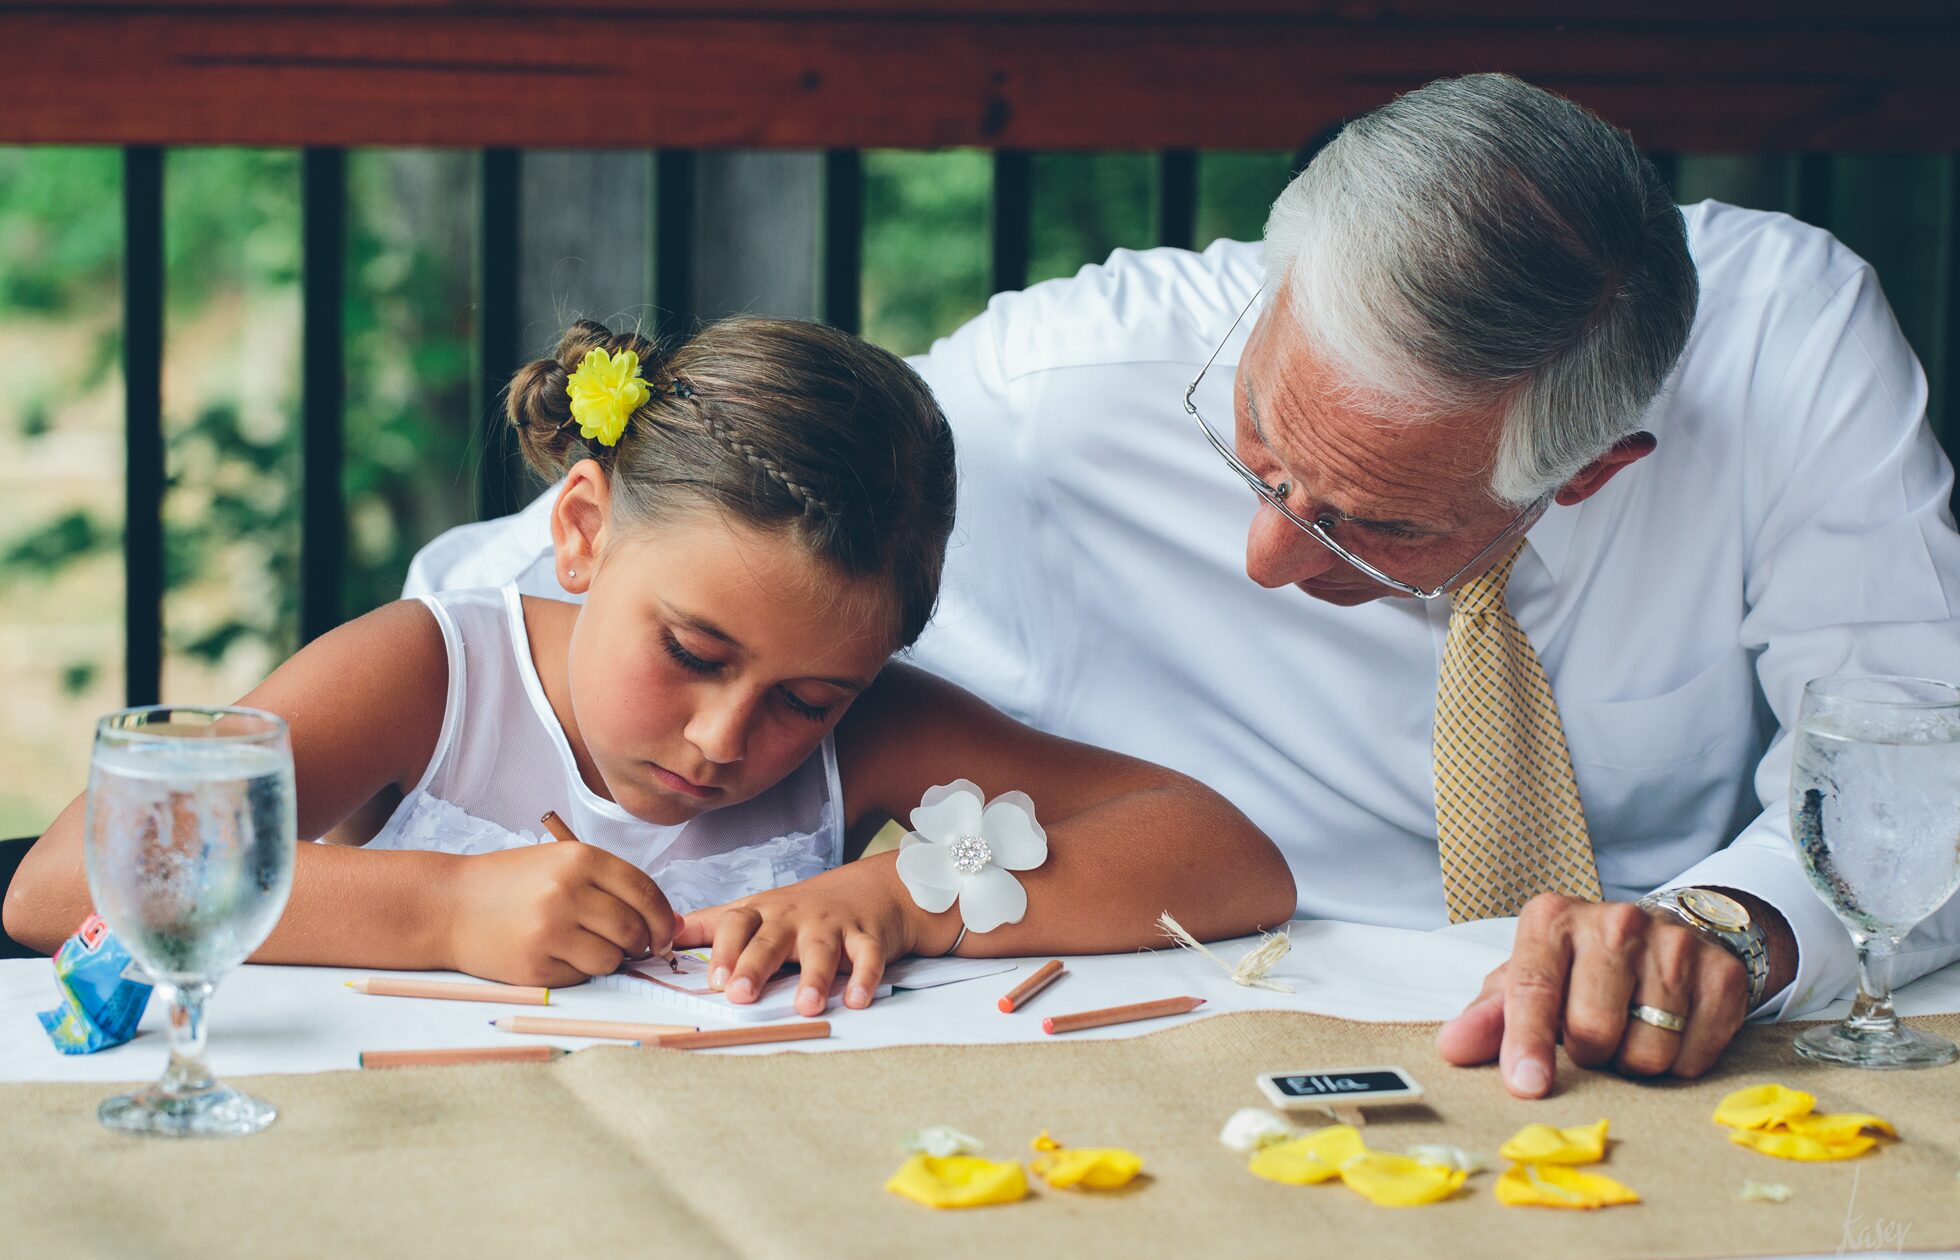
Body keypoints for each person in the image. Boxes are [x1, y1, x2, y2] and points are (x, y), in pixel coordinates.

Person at [401, 74, 1960, 1096]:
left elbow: (1929, 749)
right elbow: (549, 599)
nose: (1269, 552)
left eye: (1372, 530)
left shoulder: (1785, 355)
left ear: (1598, 470)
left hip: (1672, 1073)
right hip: (1184, 1045)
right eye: (1261, 449)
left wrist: (1738, 927)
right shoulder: (1062, 387)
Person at [3, 318, 1296, 1016]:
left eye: (806, 698)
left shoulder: (874, 734)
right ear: (580, 532)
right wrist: (446, 912)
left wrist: (907, 896)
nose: (731, 736)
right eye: (692, 652)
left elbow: (1227, 854)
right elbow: (64, 886)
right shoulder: (433, 673)